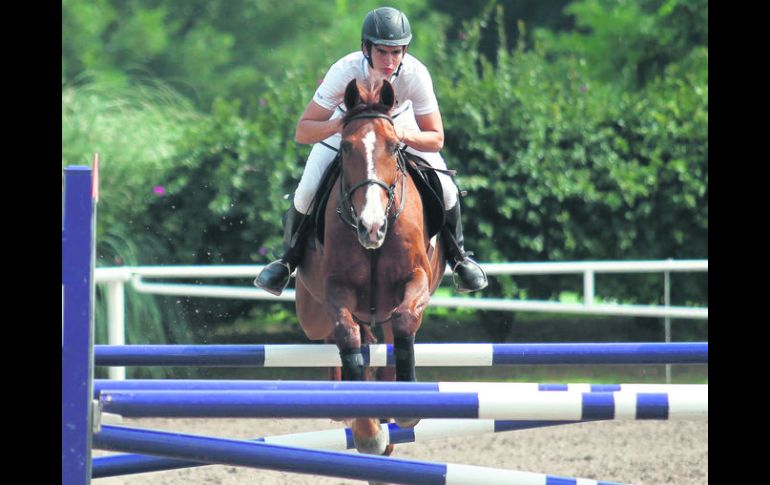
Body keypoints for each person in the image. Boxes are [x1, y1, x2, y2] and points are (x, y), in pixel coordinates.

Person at [255, 6, 487, 295]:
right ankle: (287, 262)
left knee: (448, 190)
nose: (389, 61)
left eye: (397, 52)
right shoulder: (344, 71)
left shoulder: (415, 74)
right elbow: (304, 130)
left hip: (398, 127)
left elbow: (436, 138)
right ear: (366, 48)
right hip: (345, 127)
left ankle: (459, 259)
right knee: (306, 191)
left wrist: (397, 134)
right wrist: (340, 125)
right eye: (382, 51)